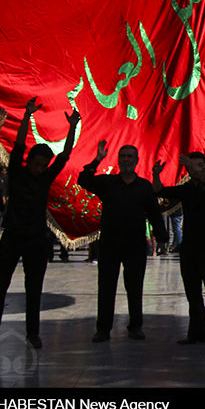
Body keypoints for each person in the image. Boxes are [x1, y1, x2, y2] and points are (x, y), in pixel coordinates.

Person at [0, 99, 76, 351]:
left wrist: (73, 126)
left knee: (34, 290)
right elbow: (19, 144)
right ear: (29, 162)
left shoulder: (45, 178)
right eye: (37, 164)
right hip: (11, 237)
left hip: (35, 240)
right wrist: (26, 115)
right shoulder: (18, 173)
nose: (40, 169)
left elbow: (64, 156)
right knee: (0, 288)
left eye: (44, 166)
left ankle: (33, 334)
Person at [79, 140, 167, 342]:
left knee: (135, 287)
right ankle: (103, 328)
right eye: (123, 156)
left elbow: (154, 213)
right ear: (118, 160)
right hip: (110, 244)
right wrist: (98, 159)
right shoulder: (108, 183)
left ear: (136, 161)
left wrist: (161, 238)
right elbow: (83, 180)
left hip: (135, 245)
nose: (126, 160)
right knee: (106, 287)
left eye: (130, 157)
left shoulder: (144, 186)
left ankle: (135, 326)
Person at [153, 153, 205, 347]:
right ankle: (197, 333)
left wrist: (192, 167)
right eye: (193, 166)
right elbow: (159, 190)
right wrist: (156, 174)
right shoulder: (186, 190)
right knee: (192, 292)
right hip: (189, 247)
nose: (198, 170)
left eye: (201, 165)